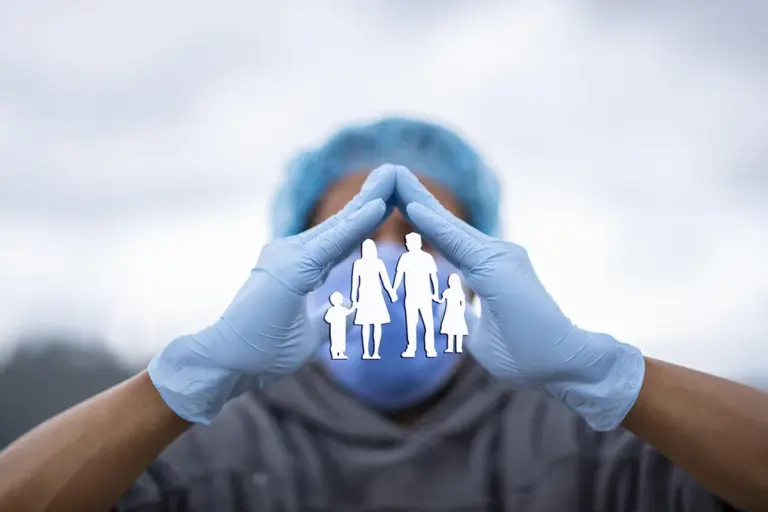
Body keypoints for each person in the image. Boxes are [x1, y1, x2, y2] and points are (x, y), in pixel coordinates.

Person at [1, 118, 767, 512]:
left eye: (425, 234)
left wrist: (608, 375)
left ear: (478, 269)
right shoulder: (211, 450)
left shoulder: (590, 446)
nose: (390, 256)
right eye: (355, 235)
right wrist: (182, 383)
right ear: (300, 261)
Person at [392, 232, 441, 358]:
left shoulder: (427, 258)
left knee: (427, 324)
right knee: (412, 324)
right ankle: (411, 348)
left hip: (425, 296)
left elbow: (433, 277)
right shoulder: (405, 258)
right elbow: (399, 276)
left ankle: (429, 348)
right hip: (411, 297)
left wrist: (435, 293)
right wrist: (393, 290)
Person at [351, 238, 397, 360]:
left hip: (376, 296)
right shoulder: (358, 264)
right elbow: (355, 282)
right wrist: (354, 300)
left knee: (377, 325)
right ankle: (366, 351)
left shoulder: (378, 263)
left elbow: (385, 281)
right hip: (364, 297)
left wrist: (391, 293)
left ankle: (375, 351)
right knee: (366, 325)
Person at [437, 273, 468, 353]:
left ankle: (458, 347)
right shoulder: (447, 292)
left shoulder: (459, 292)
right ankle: (450, 347)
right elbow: (442, 300)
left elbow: (463, 303)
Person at [324, 291, 355, 360]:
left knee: (341, 341)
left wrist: (354, 306)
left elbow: (349, 311)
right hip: (334, 329)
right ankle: (334, 354)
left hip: (341, 329)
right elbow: (327, 318)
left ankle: (341, 353)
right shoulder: (331, 310)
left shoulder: (342, 309)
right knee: (335, 341)